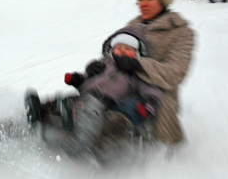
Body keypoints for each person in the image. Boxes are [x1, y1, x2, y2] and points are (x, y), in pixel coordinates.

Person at [25, 25, 163, 158]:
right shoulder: (104, 63)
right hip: (82, 95)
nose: (121, 51)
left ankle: (72, 140)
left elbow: (151, 90)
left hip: (102, 102)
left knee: (88, 114)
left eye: (127, 48)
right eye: (118, 47)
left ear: (137, 54)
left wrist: (149, 104)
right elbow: (86, 78)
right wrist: (77, 79)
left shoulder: (136, 73)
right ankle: (40, 110)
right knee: (65, 100)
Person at [127, 0, 195, 145]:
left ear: (163, 1)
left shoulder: (181, 32)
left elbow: (175, 73)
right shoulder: (132, 25)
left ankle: (167, 156)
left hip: (159, 92)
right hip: (125, 82)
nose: (143, 4)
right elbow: (116, 50)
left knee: (158, 123)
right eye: (141, 0)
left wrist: (138, 64)